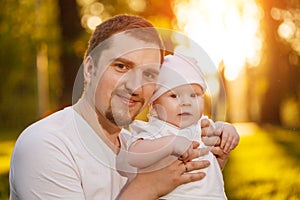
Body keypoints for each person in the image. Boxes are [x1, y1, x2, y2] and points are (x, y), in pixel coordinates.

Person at [9, 14, 238, 199]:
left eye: (148, 74)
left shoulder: (143, 145)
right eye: (121, 66)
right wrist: (145, 189)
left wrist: (204, 175)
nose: (135, 85)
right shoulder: (47, 144)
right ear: (89, 69)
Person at [120, 53, 239, 199]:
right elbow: (133, 155)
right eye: (174, 96)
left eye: (194, 95)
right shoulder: (158, 129)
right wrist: (170, 144)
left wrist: (227, 130)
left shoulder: (202, 126)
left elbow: (219, 133)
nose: (186, 102)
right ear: (154, 105)